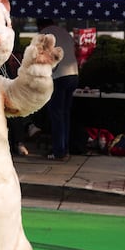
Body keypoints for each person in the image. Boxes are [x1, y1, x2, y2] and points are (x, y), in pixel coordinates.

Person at [37, 18, 79, 161]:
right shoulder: (64, 32)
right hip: (74, 74)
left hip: (59, 77)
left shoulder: (44, 34)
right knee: (65, 114)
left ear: (40, 25)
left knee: (56, 115)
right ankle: (65, 148)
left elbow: (40, 56)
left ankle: (58, 151)